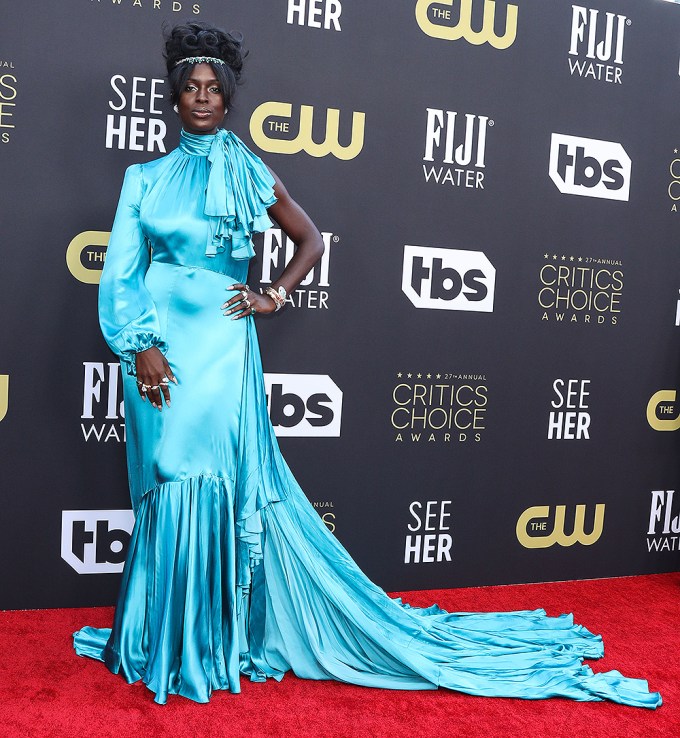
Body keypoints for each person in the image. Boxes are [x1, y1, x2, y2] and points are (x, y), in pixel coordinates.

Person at [73, 22, 661, 709]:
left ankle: (210, 642)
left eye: (212, 89)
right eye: (189, 89)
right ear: (174, 100)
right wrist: (139, 345)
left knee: (211, 481)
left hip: (225, 351)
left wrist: (276, 291)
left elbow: (310, 237)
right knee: (167, 478)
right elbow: (120, 275)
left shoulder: (250, 169)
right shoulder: (141, 179)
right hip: (160, 352)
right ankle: (160, 636)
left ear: (227, 101)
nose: (201, 99)